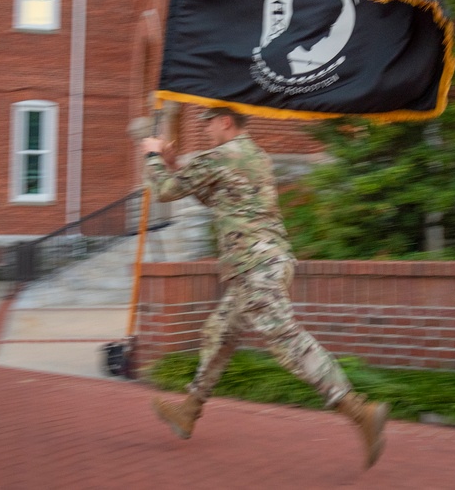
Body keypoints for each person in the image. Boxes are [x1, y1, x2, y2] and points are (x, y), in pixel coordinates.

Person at [142, 107, 388, 469]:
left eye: (208, 122)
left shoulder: (221, 155)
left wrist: (151, 154)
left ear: (225, 121)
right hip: (264, 263)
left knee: (287, 339)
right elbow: (218, 198)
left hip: (255, 267)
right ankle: (188, 411)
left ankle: (358, 411)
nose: (205, 130)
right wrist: (177, 166)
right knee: (220, 333)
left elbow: (165, 191)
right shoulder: (254, 156)